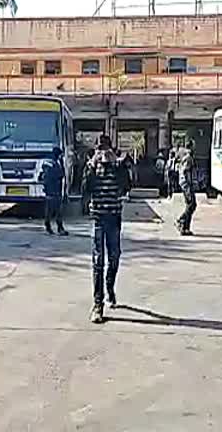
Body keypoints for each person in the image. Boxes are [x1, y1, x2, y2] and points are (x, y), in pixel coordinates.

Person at [83, 134, 131, 324]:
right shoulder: (92, 168)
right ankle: (98, 305)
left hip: (114, 219)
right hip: (98, 219)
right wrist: (90, 168)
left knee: (114, 258)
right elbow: (85, 190)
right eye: (100, 150)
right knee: (98, 261)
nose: (103, 153)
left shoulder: (117, 167)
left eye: (106, 150)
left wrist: (120, 166)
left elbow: (127, 187)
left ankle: (110, 287)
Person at [41, 147, 68, 236]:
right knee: (53, 210)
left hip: (56, 190)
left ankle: (57, 227)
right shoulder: (51, 164)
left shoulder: (55, 162)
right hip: (52, 190)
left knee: (56, 210)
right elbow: (59, 174)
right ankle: (51, 226)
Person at [176, 139, 197, 236]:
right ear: (191, 146)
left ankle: (185, 227)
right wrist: (189, 183)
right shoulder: (188, 158)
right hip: (187, 184)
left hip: (185, 184)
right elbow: (185, 171)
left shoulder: (186, 156)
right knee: (191, 204)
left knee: (190, 204)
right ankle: (181, 220)